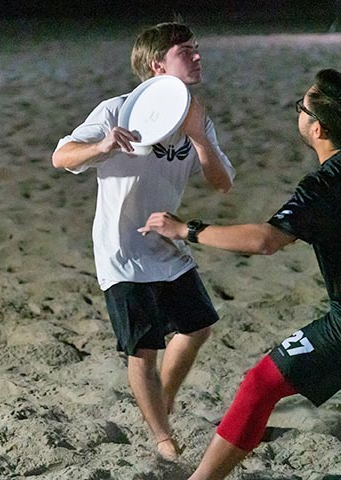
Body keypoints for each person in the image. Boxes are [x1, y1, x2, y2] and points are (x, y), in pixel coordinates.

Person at [139, 69, 341, 479]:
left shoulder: (324, 186)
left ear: (317, 129)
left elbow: (265, 241)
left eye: (301, 107)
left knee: (260, 384)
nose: (298, 112)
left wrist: (187, 230)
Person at [51, 21, 234, 461]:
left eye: (196, 48)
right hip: (122, 250)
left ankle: (161, 402)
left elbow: (222, 183)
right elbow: (61, 157)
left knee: (198, 327)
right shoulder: (117, 110)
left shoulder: (195, 115)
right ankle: (163, 440)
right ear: (157, 65)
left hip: (166, 242)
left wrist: (199, 138)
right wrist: (102, 148)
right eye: (185, 51)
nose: (197, 56)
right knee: (144, 350)